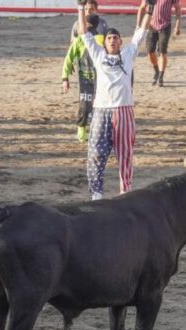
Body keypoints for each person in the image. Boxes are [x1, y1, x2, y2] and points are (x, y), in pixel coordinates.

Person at [77, 0, 154, 200]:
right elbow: (84, 33)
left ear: (121, 42)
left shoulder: (129, 53)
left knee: (125, 155)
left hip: (124, 111)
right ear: (105, 43)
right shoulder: (98, 54)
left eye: (116, 38)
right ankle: (96, 194)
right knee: (95, 154)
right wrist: (79, 8)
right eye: (109, 38)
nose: (112, 41)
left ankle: (125, 191)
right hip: (101, 111)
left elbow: (142, 32)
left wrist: (151, 9)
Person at [62, 14, 104, 143]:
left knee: (85, 106)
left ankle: (81, 130)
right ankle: (97, 131)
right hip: (102, 80)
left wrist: (65, 78)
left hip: (86, 79)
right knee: (101, 107)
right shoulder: (103, 39)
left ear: (87, 25)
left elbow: (68, 59)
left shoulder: (80, 40)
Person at [137, 0, 181, 87]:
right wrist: (138, 25)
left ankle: (160, 77)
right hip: (151, 25)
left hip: (165, 26)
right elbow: (142, 8)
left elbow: (178, 8)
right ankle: (156, 70)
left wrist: (177, 25)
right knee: (150, 51)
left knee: (162, 52)